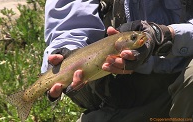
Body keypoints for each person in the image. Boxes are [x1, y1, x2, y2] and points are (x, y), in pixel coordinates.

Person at [42, 0, 193, 121]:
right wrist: (65, 50)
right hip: (130, 92)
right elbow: (70, 22)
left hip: (186, 76)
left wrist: (168, 36)